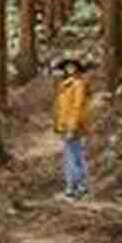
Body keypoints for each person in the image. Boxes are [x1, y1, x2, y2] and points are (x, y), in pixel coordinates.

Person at [52, 57, 93, 200]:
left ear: (77, 69)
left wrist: (72, 127)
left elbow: (78, 107)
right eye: (67, 67)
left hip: (74, 126)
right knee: (71, 155)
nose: (69, 69)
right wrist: (59, 125)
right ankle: (73, 187)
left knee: (74, 156)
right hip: (66, 126)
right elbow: (61, 108)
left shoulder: (78, 85)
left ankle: (78, 188)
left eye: (72, 66)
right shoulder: (65, 85)